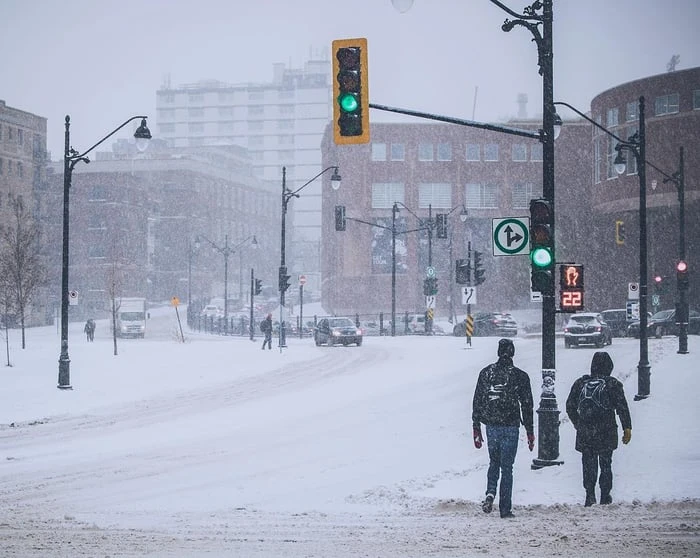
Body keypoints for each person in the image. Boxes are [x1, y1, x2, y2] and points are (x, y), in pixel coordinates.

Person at [472, 338, 534, 518]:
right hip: (511, 426)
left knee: (494, 462)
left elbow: (478, 401)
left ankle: (490, 492)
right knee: (507, 467)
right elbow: (527, 405)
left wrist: (476, 426)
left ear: (498, 352)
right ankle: (505, 508)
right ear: (513, 353)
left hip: (491, 425)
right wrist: (530, 431)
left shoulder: (486, 373)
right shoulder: (520, 376)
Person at [566, 351, 632, 507]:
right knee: (606, 463)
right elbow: (622, 407)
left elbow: (570, 406)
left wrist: (578, 423)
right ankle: (605, 495)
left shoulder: (581, 383)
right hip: (606, 430)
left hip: (586, 431)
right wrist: (627, 427)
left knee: (588, 464)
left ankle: (589, 495)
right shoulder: (612, 384)